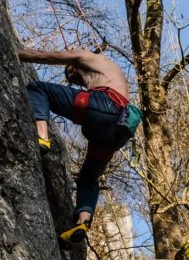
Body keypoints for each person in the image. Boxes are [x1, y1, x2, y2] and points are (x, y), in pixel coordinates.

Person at [17, 47, 133, 245]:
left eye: (71, 73)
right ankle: (82, 223)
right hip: (118, 129)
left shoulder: (87, 56)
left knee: (38, 88)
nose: (73, 79)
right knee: (88, 179)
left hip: (103, 106)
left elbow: (46, 55)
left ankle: (42, 136)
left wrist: (14, 51)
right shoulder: (111, 72)